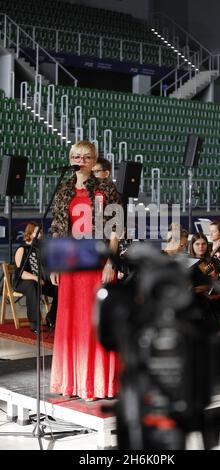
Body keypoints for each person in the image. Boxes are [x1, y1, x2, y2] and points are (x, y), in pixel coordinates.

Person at [50, 140, 122, 401]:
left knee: (94, 320)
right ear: (70, 158)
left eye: (86, 156)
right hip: (70, 265)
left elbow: (115, 229)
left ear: (94, 160)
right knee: (71, 320)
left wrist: (112, 263)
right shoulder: (63, 189)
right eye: (76, 156)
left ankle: (97, 383)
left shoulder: (105, 188)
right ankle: (73, 382)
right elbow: (58, 229)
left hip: (97, 263)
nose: (81, 160)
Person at [14, 221, 58, 332]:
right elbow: (21, 273)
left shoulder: (40, 248)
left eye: (41, 233)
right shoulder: (22, 249)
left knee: (59, 287)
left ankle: (51, 317)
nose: (41, 235)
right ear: (31, 233)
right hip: (23, 282)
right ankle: (34, 323)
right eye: (38, 232)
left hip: (40, 281)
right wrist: (36, 278)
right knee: (32, 285)